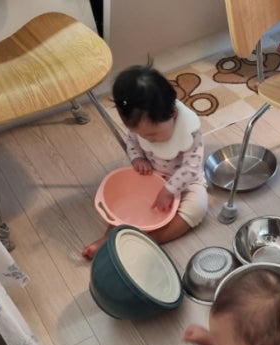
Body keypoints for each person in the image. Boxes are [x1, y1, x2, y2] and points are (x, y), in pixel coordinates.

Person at [82, 64, 208, 260]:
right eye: (142, 134)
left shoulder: (189, 130)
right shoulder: (139, 126)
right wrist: (138, 158)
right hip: (151, 174)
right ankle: (109, 238)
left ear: (173, 113)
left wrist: (169, 190)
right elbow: (132, 142)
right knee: (123, 200)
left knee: (198, 206)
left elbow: (191, 168)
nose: (148, 139)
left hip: (186, 183)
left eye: (153, 134)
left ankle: (148, 239)